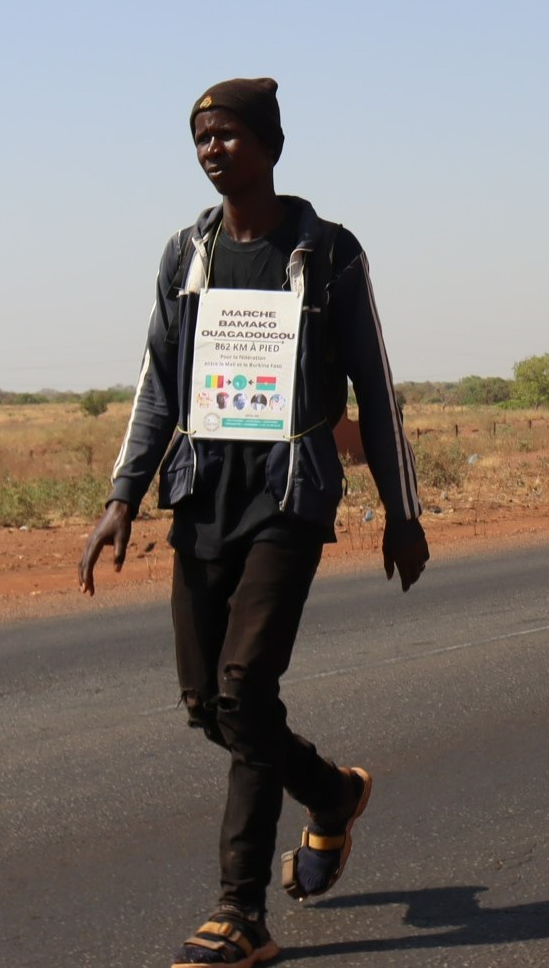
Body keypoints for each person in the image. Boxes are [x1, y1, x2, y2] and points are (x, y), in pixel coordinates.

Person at [80, 78, 430, 968]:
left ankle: (240, 912)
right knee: (207, 703)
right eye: (201, 137)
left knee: (244, 690)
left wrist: (402, 511)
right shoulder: (185, 252)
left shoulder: (326, 252)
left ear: (270, 144)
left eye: (228, 135)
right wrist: (123, 497)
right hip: (203, 490)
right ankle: (331, 792)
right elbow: (158, 383)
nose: (211, 149)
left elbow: (374, 391)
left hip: (290, 493)